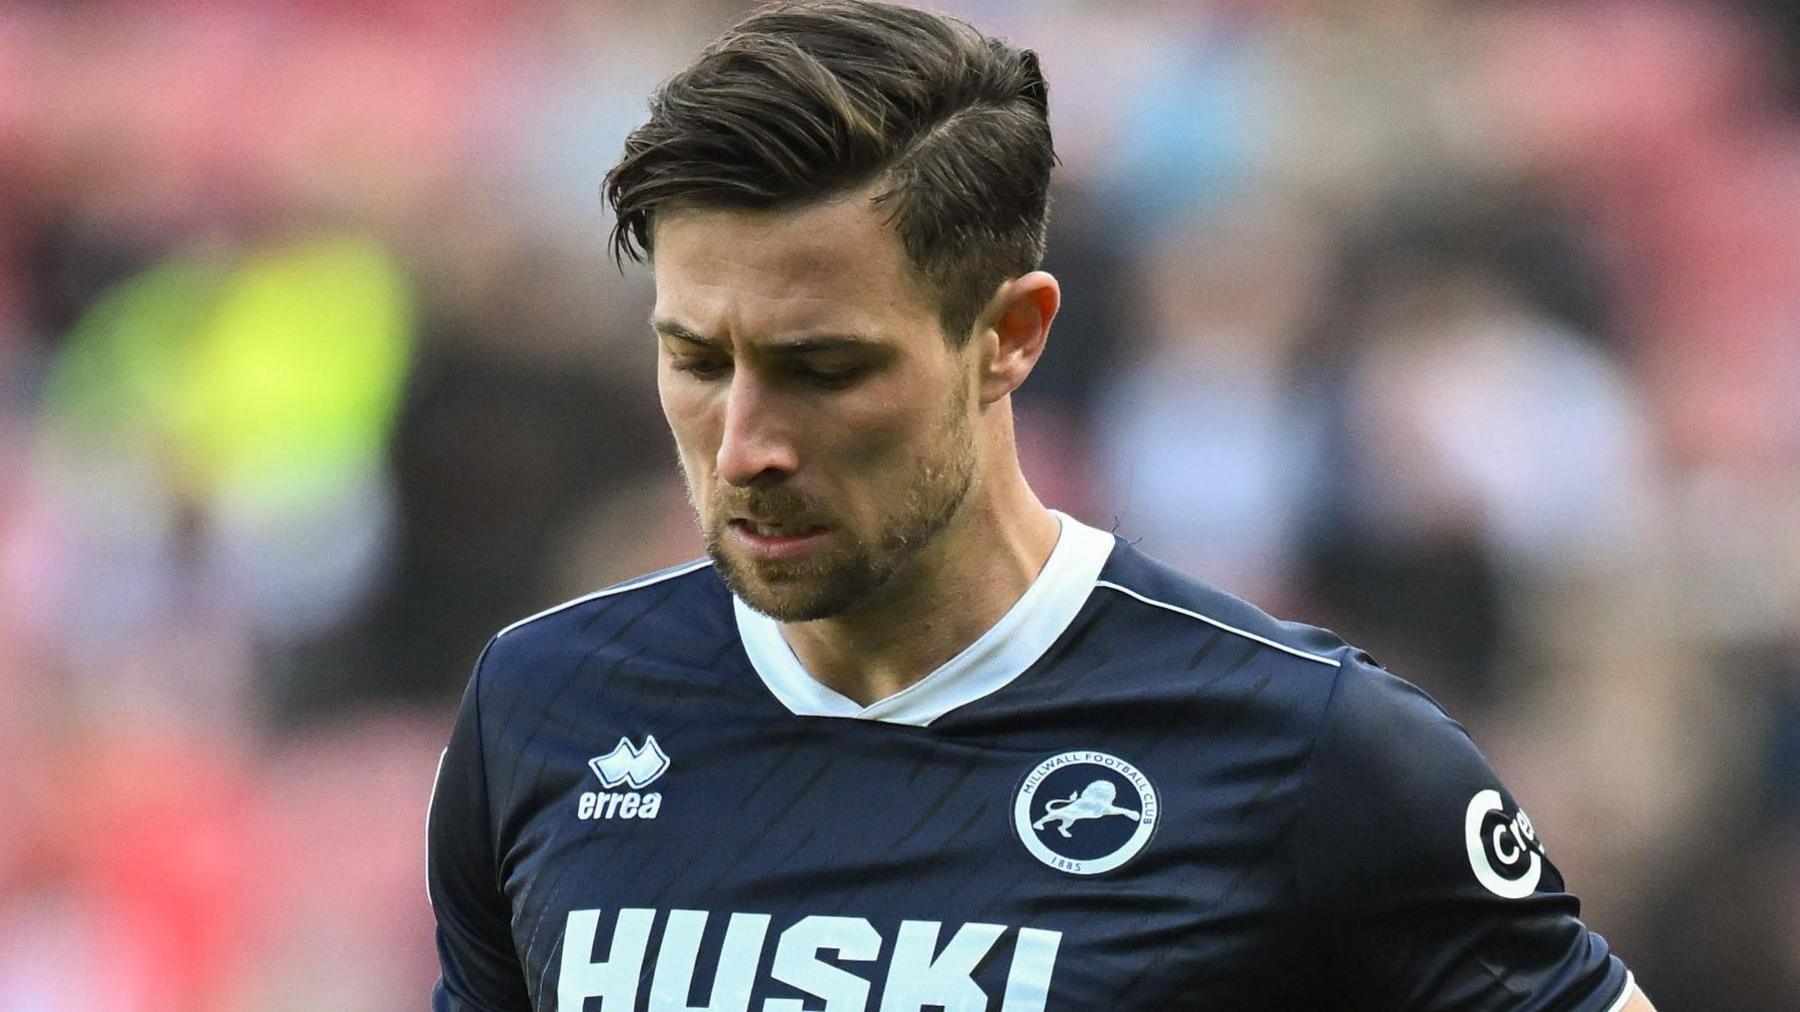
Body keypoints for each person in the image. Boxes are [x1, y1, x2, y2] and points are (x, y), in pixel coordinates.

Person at [427, 2, 1655, 1008]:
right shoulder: (544, 705)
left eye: (827, 368)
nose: (744, 444)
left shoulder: (1306, 749)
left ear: (1009, 337)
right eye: (697, 360)